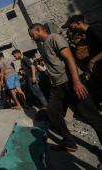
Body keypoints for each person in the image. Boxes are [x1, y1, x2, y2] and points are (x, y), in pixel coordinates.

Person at [28, 23, 102, 166]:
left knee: (92, 118)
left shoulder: (55, 38)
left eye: (31, 35)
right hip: (57, 86)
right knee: (53, 113)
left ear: (38, 30)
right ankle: (69, 142)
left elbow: (69, 59)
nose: (31, 38)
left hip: (71, 81)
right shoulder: (44, 46)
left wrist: (76, 82)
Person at [63, 15, 102, 80]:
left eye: (70, 27)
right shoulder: (88, 34)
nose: (69, 29)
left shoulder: (94, 29)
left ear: (78, 23)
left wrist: (92, 61)